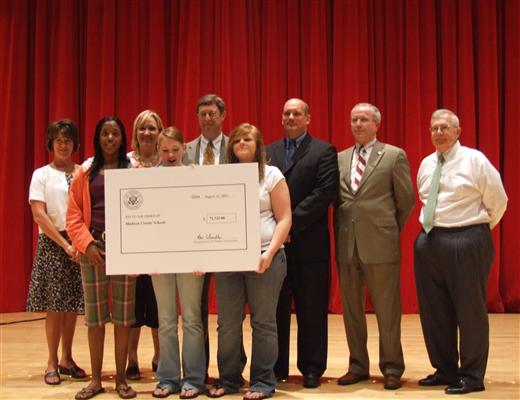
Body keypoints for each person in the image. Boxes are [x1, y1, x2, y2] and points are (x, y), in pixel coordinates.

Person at [414, 109, 508, 395]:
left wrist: (474, 232)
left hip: (467, 238)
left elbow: (498, 200)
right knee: (434, 312)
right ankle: (445, 370)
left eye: (445, 128)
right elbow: (423, 197)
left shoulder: (475, 160)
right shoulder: (427, 163)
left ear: (458, 131)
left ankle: (472, 376)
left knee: (470, 311)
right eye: (434, 128)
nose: (439, 133)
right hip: (430, 239)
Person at [333, 103, 415, 390]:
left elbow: (406, 201)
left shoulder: (393, 155)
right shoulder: (340, 158)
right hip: (347, 244)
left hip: (381, 244)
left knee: (387, 310)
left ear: (376, 124)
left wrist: (386, 229)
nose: (357, 124)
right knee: (352, 310)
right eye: (354, 119)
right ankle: (358, 365)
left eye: (364, 119)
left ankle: (392, 367)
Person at [207, 123, 292, 399]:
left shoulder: (271, 175)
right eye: (237, 140)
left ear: (258, 145)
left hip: (265, 258)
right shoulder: (220, 176)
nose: (242, 143)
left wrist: (269, 254)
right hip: (228, 262)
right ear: (230, 146)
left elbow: (285, 218)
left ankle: (262, 382)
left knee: (264, 322)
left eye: (248, 139)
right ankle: (230, 380)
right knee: (228, 323)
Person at [266, 98, 338, 388]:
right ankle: (276, 365)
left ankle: (312, 368)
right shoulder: (267, 151)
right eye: (286, 113)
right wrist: (279, 231)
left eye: (297, 113)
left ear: (308, 118)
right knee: (274, 310)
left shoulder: (324, 151)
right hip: (275, 247)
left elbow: (324, 193)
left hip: (310, 245)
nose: (291, 117)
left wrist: (288, 224)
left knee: (312, 310)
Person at [67, 116, 137, 400]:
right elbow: (73, 217)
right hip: (92, 250)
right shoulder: (85, 171)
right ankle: (96, 380)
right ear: (98, 138)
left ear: (122, 139)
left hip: (125, 249)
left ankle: (121, 380)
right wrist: (87, 245)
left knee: (123, 318)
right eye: (105, 134)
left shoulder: (133, 170)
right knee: (95, 319)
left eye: (115, 134)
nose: (110, 139)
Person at [183, 94, 246, 382]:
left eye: (212, 113)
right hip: (193, 241)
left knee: (229, 316)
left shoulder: (238, 146)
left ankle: (230, 373)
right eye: (202, 114)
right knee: (194, 314)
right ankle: (198, 373)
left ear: (223, 115)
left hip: (227, 238)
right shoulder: (185, 150)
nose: (207, 119)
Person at [27, 119, 86, 385]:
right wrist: (65, 244)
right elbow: (39, 214)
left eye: (68, 140)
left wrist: (79, 242)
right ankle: (51, 361)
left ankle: (67, 358)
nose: (63, 144)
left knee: (72, 305)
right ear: (51, 143)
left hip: (79, 241)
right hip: (53, 243)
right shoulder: (41, 174)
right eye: (58, 140)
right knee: (54, 307)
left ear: (74, 143)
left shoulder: (83, 170)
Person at [151, 127, 206, 399]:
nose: (171, 155)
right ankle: (168, 378)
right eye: (165, 150)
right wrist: (146, 256)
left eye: (175, 149)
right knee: (166, 320)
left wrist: (202, 255)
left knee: (193, 319)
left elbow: (203, 216)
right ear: (158, 150)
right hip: (160, 259)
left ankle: (194, 379)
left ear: (185, 148)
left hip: (191, 259)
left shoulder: (195, 176)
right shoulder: (147, 180)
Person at [126, 110, 163, 380]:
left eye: (152, 128)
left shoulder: (168, 161)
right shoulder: (124, 163)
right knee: (132, 307)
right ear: (135, 133)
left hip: (161, 245)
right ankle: (132, 358)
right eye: (142, 128)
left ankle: (160, 356)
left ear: (159, 132)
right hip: (132, 246)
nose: (147, 133)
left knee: (160, 306)